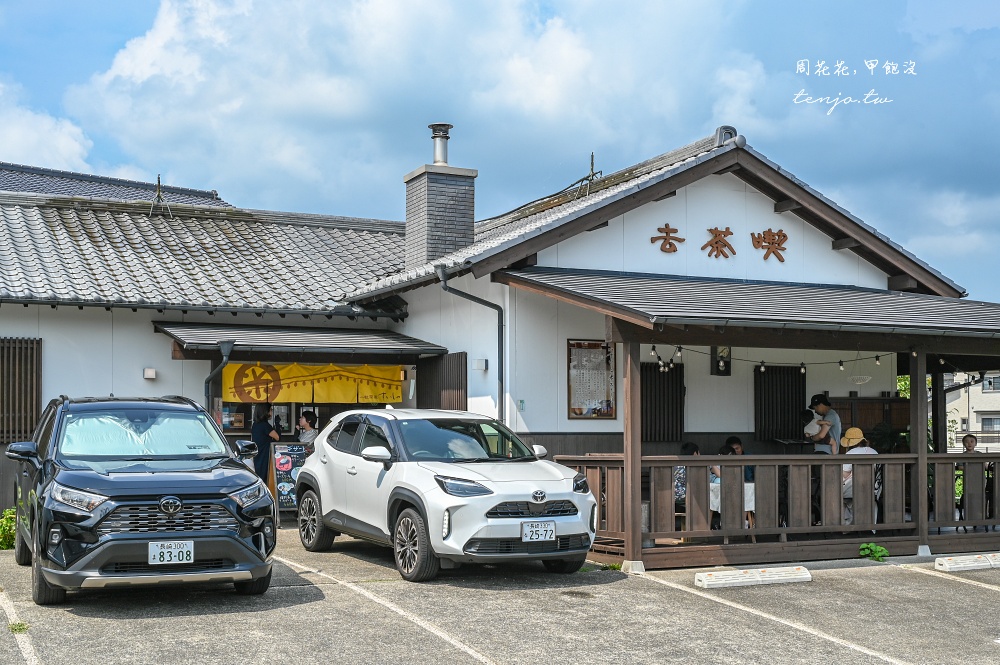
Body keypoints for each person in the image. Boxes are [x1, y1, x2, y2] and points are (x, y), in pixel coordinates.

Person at [841, 427, 879, 524]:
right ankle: (870, 526)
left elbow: (845, 474)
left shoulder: (850, 453)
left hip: (854, 489)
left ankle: (846, 525)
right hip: (873, 488)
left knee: (835, 490)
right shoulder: (874, 452)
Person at [251, 403, 279, 479]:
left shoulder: (255, 424)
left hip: (258, 453)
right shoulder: (264, 425)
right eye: (270, 410)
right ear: (265, 412)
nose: (271, 412)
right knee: (265, 476)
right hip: (265, 454)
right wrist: (278, 426)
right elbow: (277, 437)